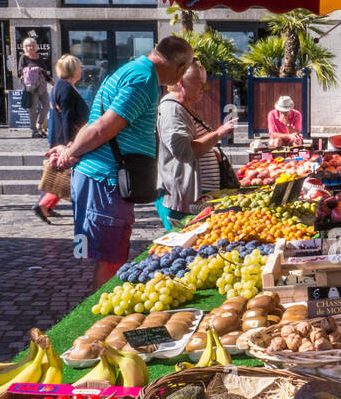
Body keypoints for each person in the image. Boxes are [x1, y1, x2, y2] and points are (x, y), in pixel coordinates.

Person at [46, 36, 194, 289]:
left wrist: (72, 148)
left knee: (103, 251)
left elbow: (96, 122)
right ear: (179, 68)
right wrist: (70, 154)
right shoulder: (143, 79)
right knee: (112, 257)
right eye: (184, 72)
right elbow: (104, 128)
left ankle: (94, 300)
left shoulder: (131, 69)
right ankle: (97, 316)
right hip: (106, 178)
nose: (180, 79)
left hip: (100, 176)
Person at [156, 60, 235, 225]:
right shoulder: (172, 110)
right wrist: (218, 133)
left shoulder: (184, 107)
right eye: (199, 83)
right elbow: (184, 151)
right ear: (180, 82)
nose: (204, 88)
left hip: (197, 198)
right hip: (183, 201)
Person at [35, 54, 89, 224]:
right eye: (79, 67)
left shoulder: (62, 86)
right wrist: (68, 146)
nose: (81, 70)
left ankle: (45, 206)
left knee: (60, 174)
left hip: (64, 138)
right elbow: (67, 118)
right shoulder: (65, 88)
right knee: (63, 175)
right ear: (73, 70)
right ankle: (44, 205)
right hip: (67, 140)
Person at [20, 40, 49, 139]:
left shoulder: (39, 57)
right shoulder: (23, 57)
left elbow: (45, 71)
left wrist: (51, 81)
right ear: (25, 47)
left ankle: (39, 124)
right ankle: (34, 130)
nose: (31, 47)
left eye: (33, 45)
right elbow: (20, 71)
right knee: (33, 108)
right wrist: (33, 70)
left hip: (41, 85)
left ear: (36, 46)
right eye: (28, 46)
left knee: (46, 105)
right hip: (31, 87)